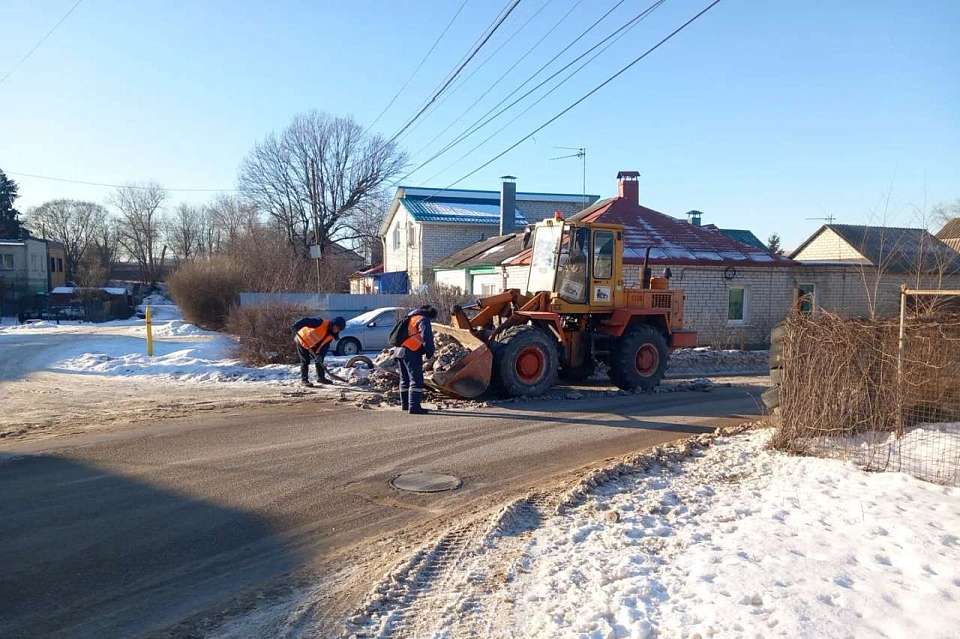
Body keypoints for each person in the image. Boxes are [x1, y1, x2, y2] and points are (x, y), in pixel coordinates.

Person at [394, 305, 437, 414]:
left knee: (404, 379)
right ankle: (414, 407)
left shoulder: (410, 317)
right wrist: (429, 352)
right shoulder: (423, 319)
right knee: (416, 379)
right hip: (410, 350)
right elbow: (427, 336)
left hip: (399, 351)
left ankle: (405, 405)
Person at [291, 315, 346, 386]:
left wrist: (320, 355)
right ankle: (304, 380)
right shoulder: (320, 323)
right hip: (302, 339)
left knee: (319, 360)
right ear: (333, 324)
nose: (337, 330)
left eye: (339, 329)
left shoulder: (331, 336)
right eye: (337, 327)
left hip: (313, 344)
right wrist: (296, 325)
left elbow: (324, 347)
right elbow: (306, 320)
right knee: (305, 360)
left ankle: (321, 378)